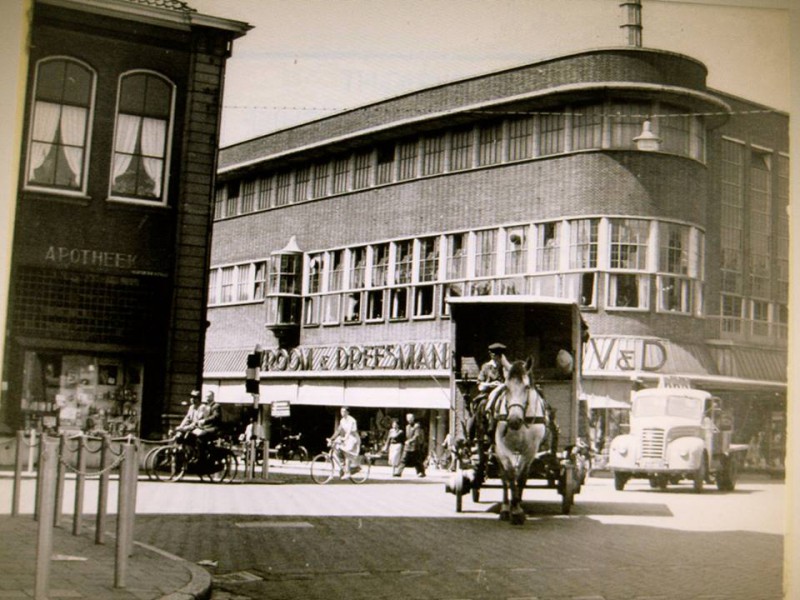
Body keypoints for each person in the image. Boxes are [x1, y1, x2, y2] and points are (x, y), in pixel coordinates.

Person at [329, 407, 360, 478]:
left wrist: (344, 438)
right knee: (337, 449)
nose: (342, 413)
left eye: (344, 411)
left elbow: (349, 431)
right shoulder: (342, 420)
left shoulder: (352, 420)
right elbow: (338, 430)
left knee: (347, 453)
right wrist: (331, 438)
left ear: (348, 412)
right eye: (341, 411)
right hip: (346, 437)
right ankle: (344, 467)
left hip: (353, 438)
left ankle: (348, 473)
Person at [398, 413, 426, 478]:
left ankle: (421, 472)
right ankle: (398, 472)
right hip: (407, 446)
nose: (409, 420)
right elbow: (407, 436)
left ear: (413, 419)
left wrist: (410, 441)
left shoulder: (417, 426)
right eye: (408, 419)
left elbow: (417, 435)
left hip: (415, 446)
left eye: (410, 418)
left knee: (417, 460)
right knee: (403, 459)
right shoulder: (407, 426)